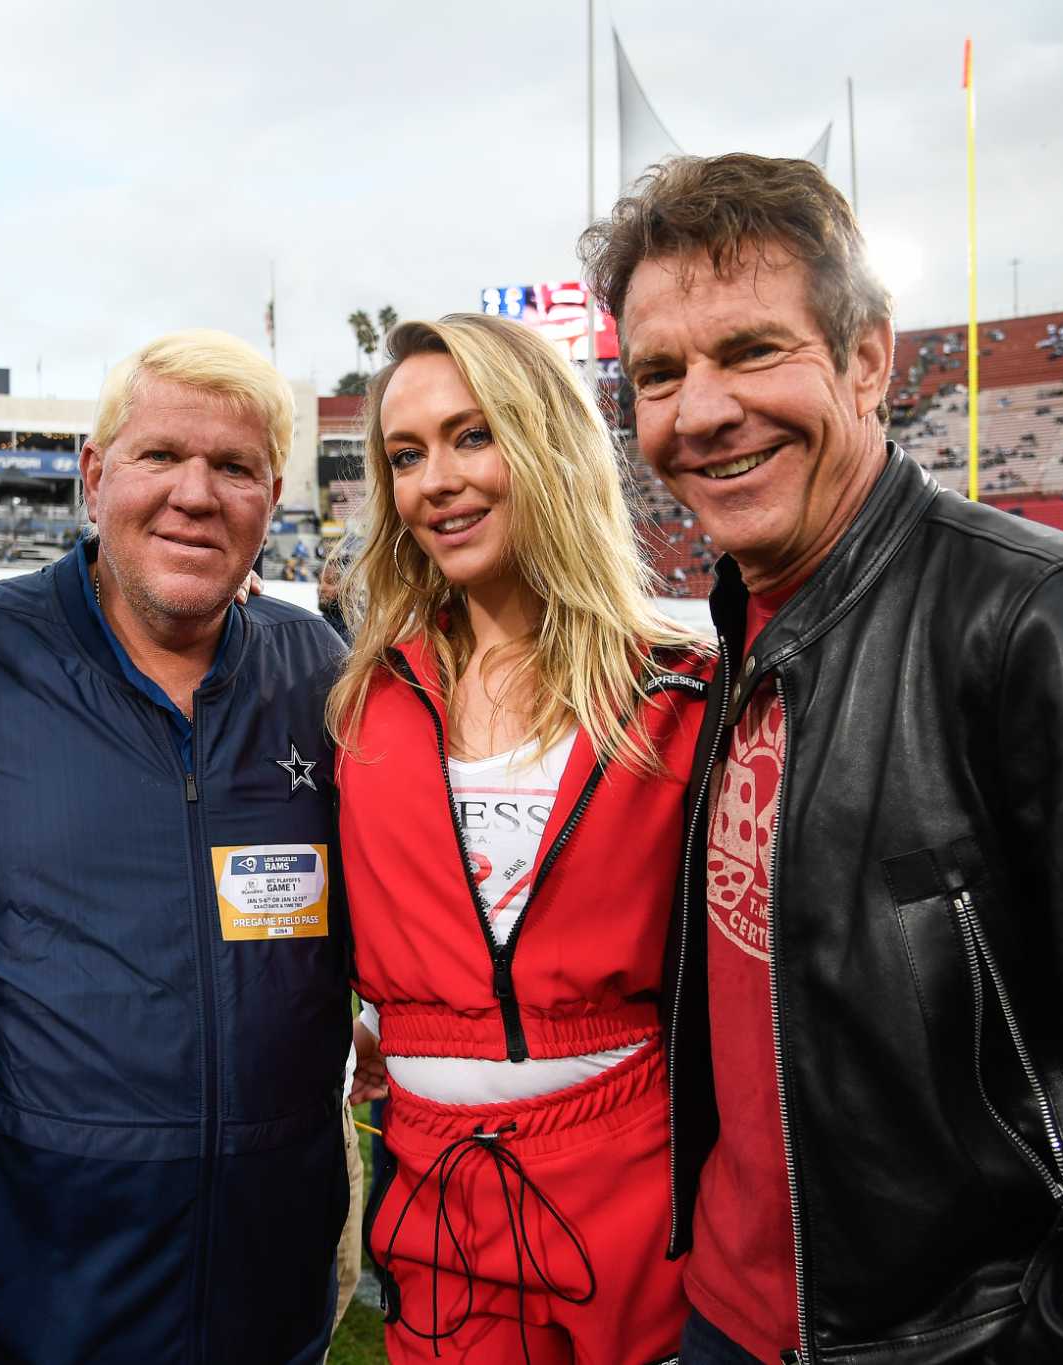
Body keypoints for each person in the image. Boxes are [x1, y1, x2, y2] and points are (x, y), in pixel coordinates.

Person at [583, 151, 1063, 1364]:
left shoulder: (1061, 621)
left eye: (752, 350)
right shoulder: (734, 631)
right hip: (722, 1313)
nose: (698, 409)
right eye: (658, 373)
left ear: (867, 357)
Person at [0, 329, 354, 1363]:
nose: (194, 494)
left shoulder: (316, 670)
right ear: (95, 475)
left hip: (259, 1302)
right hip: (8, 1308)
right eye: (160, 456)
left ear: (271, 498)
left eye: (232, 468)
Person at [330, 314, 711, 1364]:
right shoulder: (364, 700)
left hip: (633, 1178)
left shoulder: (681, 690)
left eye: (471, 435)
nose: (434, 482)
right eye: (404, 457)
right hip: (432, 1184)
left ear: (545, 443)